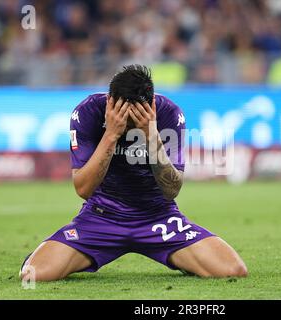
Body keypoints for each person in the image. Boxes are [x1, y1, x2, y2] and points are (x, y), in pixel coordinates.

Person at [20, 64, 247, 281]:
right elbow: (82, 189)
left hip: (159, 217)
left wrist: (151, 135)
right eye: (123, 119)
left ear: (151, 107)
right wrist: (111, 134)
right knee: (33, 274)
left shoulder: (169, 115)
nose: (128, 126)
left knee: (232, 270)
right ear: (110, 102)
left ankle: (183, 256)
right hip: (101, 217)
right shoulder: (88, 112)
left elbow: (172, 190)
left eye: (133, 121)